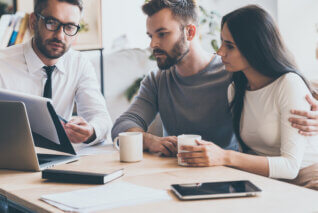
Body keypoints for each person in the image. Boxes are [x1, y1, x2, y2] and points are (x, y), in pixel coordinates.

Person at [111, 0, 318, 157]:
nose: (153, 44)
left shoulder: (235, 71)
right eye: (150, 36)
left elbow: (284, 82)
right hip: (180, 173)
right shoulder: (156, 80)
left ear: (190, 32)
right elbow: (122, 125)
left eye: (162, 34)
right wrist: (148, 140)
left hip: (231, 172)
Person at [178, 5, 318, 189]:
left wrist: (224, 156)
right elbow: (249, 155)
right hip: (265, 182)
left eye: (230, 46)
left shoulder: (288, 84)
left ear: (254, 48)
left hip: (306, 180)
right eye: (222, 42)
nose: (220, 52)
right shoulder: (236, 89)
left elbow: (290, 167)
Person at [0, 0, 112, 145]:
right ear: (33, 22)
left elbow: (101, 118)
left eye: (69, 27)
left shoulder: (79, 64)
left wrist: (91, 131)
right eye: (52, 23)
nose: (60, 36)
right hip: (6, 158)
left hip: (60, 161)